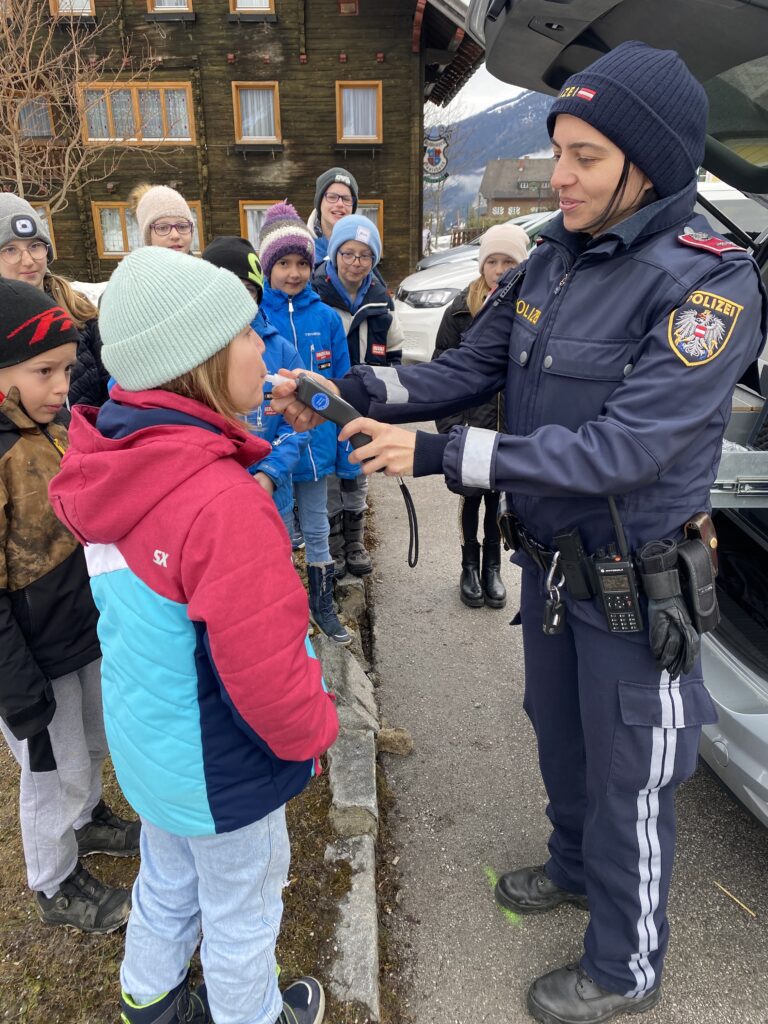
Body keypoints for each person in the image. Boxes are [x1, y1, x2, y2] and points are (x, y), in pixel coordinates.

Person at [272, 42, 768, 1024]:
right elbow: (463, 371)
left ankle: (626, 966)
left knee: (636, 776)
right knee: (562, 737)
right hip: (553, 574)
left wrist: (444, 459)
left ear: (649, 160)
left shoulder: (707, 287)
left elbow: (621, 450)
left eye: (585, 155)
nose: (562, 174)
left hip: (637, 584)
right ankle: (578, 867)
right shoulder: (550, 259)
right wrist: (351, 390)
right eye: (558, 151)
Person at [50, 246, 338, 1024]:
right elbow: (265, 669)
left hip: (155, 751)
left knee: (166, 879)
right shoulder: (222, 504)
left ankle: (148, 1002)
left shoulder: (116, 464)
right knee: (243, 910)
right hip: (224, 765)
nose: (265, 348)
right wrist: (314, 733)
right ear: (201, 364)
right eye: (247, 333)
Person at [0, 279, 138, 935]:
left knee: (88, 742)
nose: (64, 383)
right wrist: (18, 687)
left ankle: (88, 820)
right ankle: (54, 881)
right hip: (31, 656)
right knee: (49, 771)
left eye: (66, 366)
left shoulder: (51, 430)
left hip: (78, 632)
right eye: (44, 371)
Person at [259, 201, 360, 645]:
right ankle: (286, 609)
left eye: (302, 262)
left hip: (316, 448)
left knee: (318, 528)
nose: (294, 273)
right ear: (268, 267)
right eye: (284, 263)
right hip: (277, 451)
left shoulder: (326, 318)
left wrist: (347, 452)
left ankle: (323, 602)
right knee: (279, 535)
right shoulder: (258, 320)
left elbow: (342, 391)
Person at [432, 223, 529, 609]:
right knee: (471, 497)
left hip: (510, 428)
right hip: (471, 425)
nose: (500, 269)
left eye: (509, 262)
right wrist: (451, 429)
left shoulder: (532, 311)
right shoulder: (460, 311)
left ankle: (494, 567)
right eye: (493, 261)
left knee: (499, 500)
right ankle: (468, 566)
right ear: (482, 264)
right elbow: (442, 373)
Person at [312, 215, 403, 577]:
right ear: (335, 256)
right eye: (347, 253)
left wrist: (386, 401)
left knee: (357, 469)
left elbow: (396, 354)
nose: (355, 262)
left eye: (364, 256)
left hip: (365, 402)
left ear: (373, 261)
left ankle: (355, 540)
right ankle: (333, 544)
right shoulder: (318, 296)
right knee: (331, 475)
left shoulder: (381, 305)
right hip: (326, 401)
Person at [201, 235, 310, 538]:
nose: (237, 301)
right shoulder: (194, 357)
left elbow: (298, 426)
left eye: (247, 290)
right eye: (226, 291)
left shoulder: (280, 350)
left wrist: (269, 473)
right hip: (212, 502)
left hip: (272, 498)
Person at [0, 193, 109, 407]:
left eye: (34, 246)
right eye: (10, 250)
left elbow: (110, 381)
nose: (28, 260)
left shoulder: (77, 309)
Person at [307, 166, 359, 267]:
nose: (340, 204)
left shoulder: (363, 250)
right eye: (332, 197)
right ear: (319, 202)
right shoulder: (300, 248)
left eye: (346, 199)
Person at [129, 183, 196, 255]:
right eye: (162, 228)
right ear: (148, 236)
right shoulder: (134, 266)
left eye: (182, 226)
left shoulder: (203, 266)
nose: (175, 235)